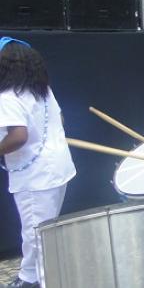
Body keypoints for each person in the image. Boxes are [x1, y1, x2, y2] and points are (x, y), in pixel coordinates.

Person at [0, 37, 76, 288]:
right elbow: (61, 120)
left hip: (35, 176)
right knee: (42, 231)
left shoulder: (8, 97)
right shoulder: (42, 92)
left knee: (35, 234)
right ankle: (28, 277)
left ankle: (39, 281)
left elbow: (18, 136)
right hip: (57, 169)